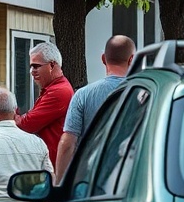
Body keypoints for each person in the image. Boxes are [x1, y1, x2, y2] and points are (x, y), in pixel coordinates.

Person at [54, 35, 135, 179]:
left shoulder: (82, 95)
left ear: (103, 59)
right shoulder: (144, 93)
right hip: (132, 181)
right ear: (131, 60)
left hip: (89, 183)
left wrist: (59, 185)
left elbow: (67, 143)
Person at [15, 41, 73, 167]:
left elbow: (26, 124)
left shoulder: (59, 91)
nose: (32, 71)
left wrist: (11, 116)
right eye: (31, 66)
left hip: (54, 168)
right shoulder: (54, 88)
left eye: (36, 66)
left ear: (52, 65)